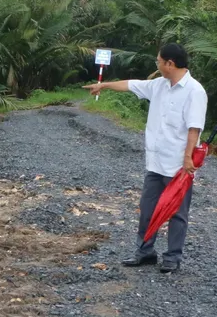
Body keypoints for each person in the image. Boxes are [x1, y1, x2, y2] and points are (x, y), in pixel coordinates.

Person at [84, 43, 208, 273]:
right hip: (156, 161)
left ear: (170, 64)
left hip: (179, 165)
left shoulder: (194, 91)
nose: (157, 64)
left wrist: (188, 157)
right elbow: (131, 85)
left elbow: (194, 128)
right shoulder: (158, 86)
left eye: (159, 61)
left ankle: (172, 257)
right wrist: (105, 85)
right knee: (147, 208)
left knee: (177, 212)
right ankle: (145, 251)